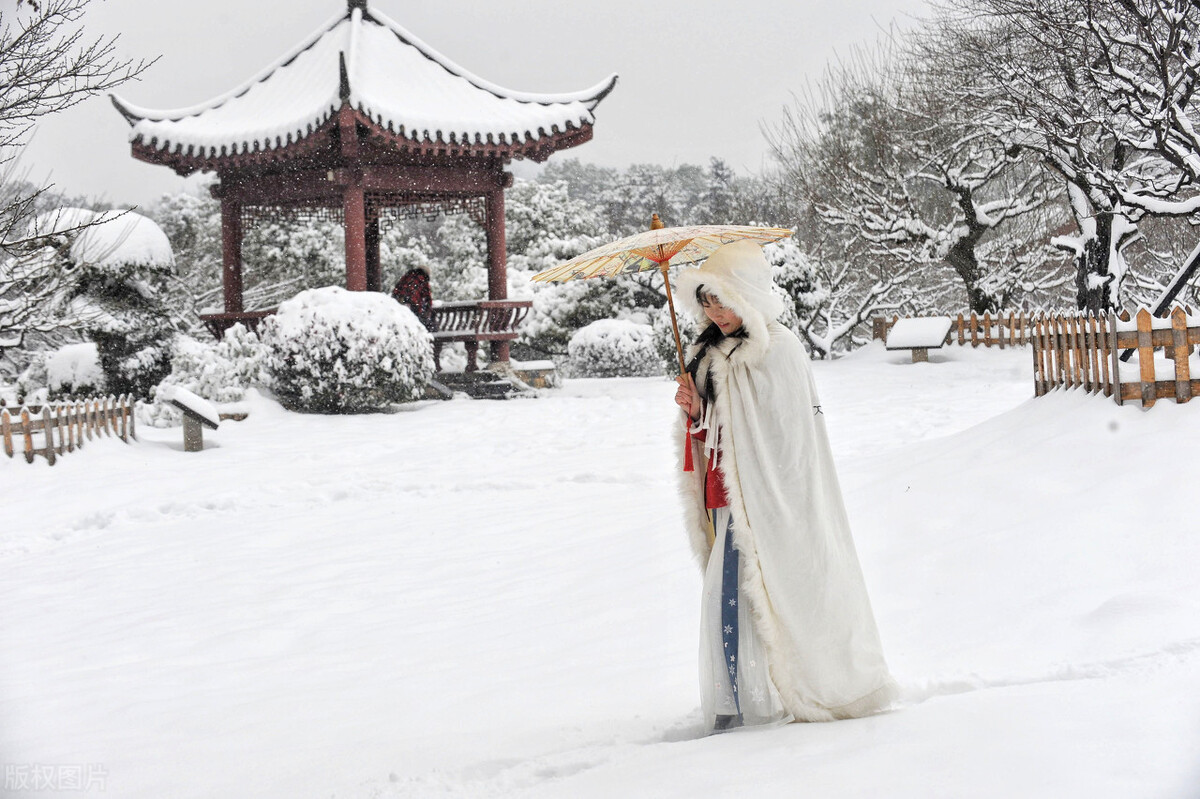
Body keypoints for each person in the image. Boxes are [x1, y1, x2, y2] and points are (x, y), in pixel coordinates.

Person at [672, 239, 897, 734]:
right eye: (706, 300)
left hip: (770, 500)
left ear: (748, 293)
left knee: (746, 594)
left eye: (723, 298)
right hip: (723, 495)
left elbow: (787, 436)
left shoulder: (779, 349)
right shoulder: (710, 353)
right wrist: (697, 409)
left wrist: (723, 423)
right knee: (729, 597)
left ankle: (765, 696)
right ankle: (743, 696)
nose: (715, 311)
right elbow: (721, 429)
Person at [390, 265, 437, 333]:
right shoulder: (423, 279)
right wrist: (428, 307)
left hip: (401, 302)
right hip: (414, 304)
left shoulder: (408, 276)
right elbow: (427, 297)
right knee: (422, 321)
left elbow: (397, 288)